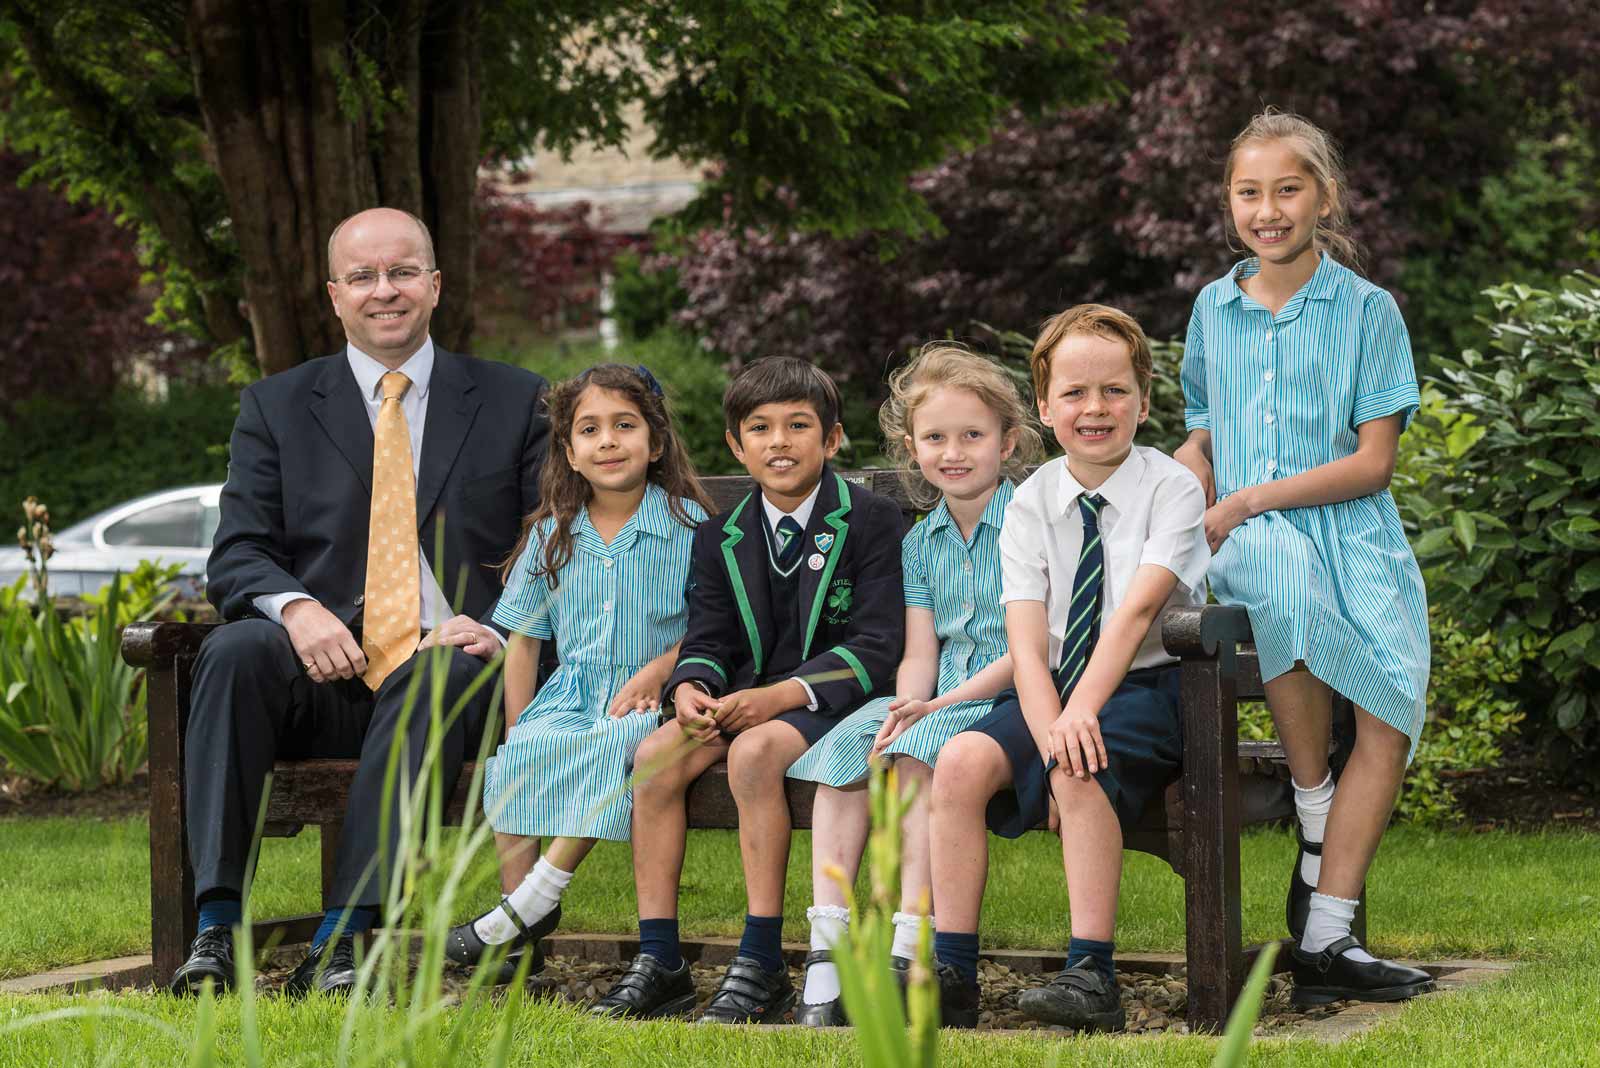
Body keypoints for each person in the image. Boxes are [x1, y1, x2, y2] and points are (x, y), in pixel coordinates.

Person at [167, 207, 549, 997]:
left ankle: (346, 938)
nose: (386, 291)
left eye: (403, 272)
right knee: (233, 650)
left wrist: (501, 623)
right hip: (328, 675)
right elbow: (238, 551)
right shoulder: (275, 407)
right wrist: (294, 608)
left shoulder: (516, 402)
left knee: (432, 674)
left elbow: (556, 546)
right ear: (335, 294)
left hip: (461, 679)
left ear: (435, 286)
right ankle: (215, 927)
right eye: (364, 277)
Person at [1174, 110, 1434, 1006]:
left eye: (1288, 189)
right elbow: (1203, 438)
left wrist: (1251, 493)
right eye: (1250, 192)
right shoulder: (1213, 306)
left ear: (1324, 196)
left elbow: (1374, 461)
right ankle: (1314, 805)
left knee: (1393, 699)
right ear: (1229, 203)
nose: (1268, 208)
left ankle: (1328, 935)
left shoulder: (1369, 311)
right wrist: (1172, 493)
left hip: (1354, 530)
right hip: (1254, 541)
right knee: (1281, 584)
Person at [590, 356, 905, 1023]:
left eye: (798, 425)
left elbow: (879, 647)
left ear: (832, 439)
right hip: (742, 700)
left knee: (757, 753)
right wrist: (692, 688)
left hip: (834, 704)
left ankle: (760, 959)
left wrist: (782, 694)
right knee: (654, 758)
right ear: (737, 444)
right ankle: (660, 960)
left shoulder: (871, 521)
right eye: (759, 428)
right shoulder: (720, 535)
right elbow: (709, 636)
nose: (779, 441)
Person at [928, 304, 1209, 1031]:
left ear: (1144, 402)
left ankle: (1092, 975)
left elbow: (1137, 614)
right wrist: (1054, 718)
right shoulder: (1032, 500)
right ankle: (951, 973)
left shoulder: (1170, 487)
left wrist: (1073, 722)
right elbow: (1025, 640)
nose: (1095, 408)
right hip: (1052, 688)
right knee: (958, 762)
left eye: (1114, 391)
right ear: (1046, 406)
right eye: (1075, 393)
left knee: (1076, 766)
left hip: (1152, 684)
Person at [784, 344, 1042, 1026]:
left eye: (972, 436)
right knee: (851, 750)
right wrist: (904, 704)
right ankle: (828, 948)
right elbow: (921, 650)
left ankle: (910, 941)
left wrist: (933, 711)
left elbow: (1029, 649)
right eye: (935, 438)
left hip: (1011, 694)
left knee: (917, 751)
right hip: (942, 692)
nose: (953, 452)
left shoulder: (1030, 522)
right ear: (911, 447)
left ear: (1007, 441)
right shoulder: (920, 541)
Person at [441, 364, 710, 976]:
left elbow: (713, 625)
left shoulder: (689, 527)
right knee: (518, 760)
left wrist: (661, 670)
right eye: (590, 429)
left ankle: (533, 902)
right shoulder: (552, 536)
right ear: (570, 450)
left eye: (624, 425)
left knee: (616, 742)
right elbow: (525, 643)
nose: (608, 441)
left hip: (656, 699)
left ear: (657, 441)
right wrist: (518, 726)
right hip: (572, 692)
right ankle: (517, 935)